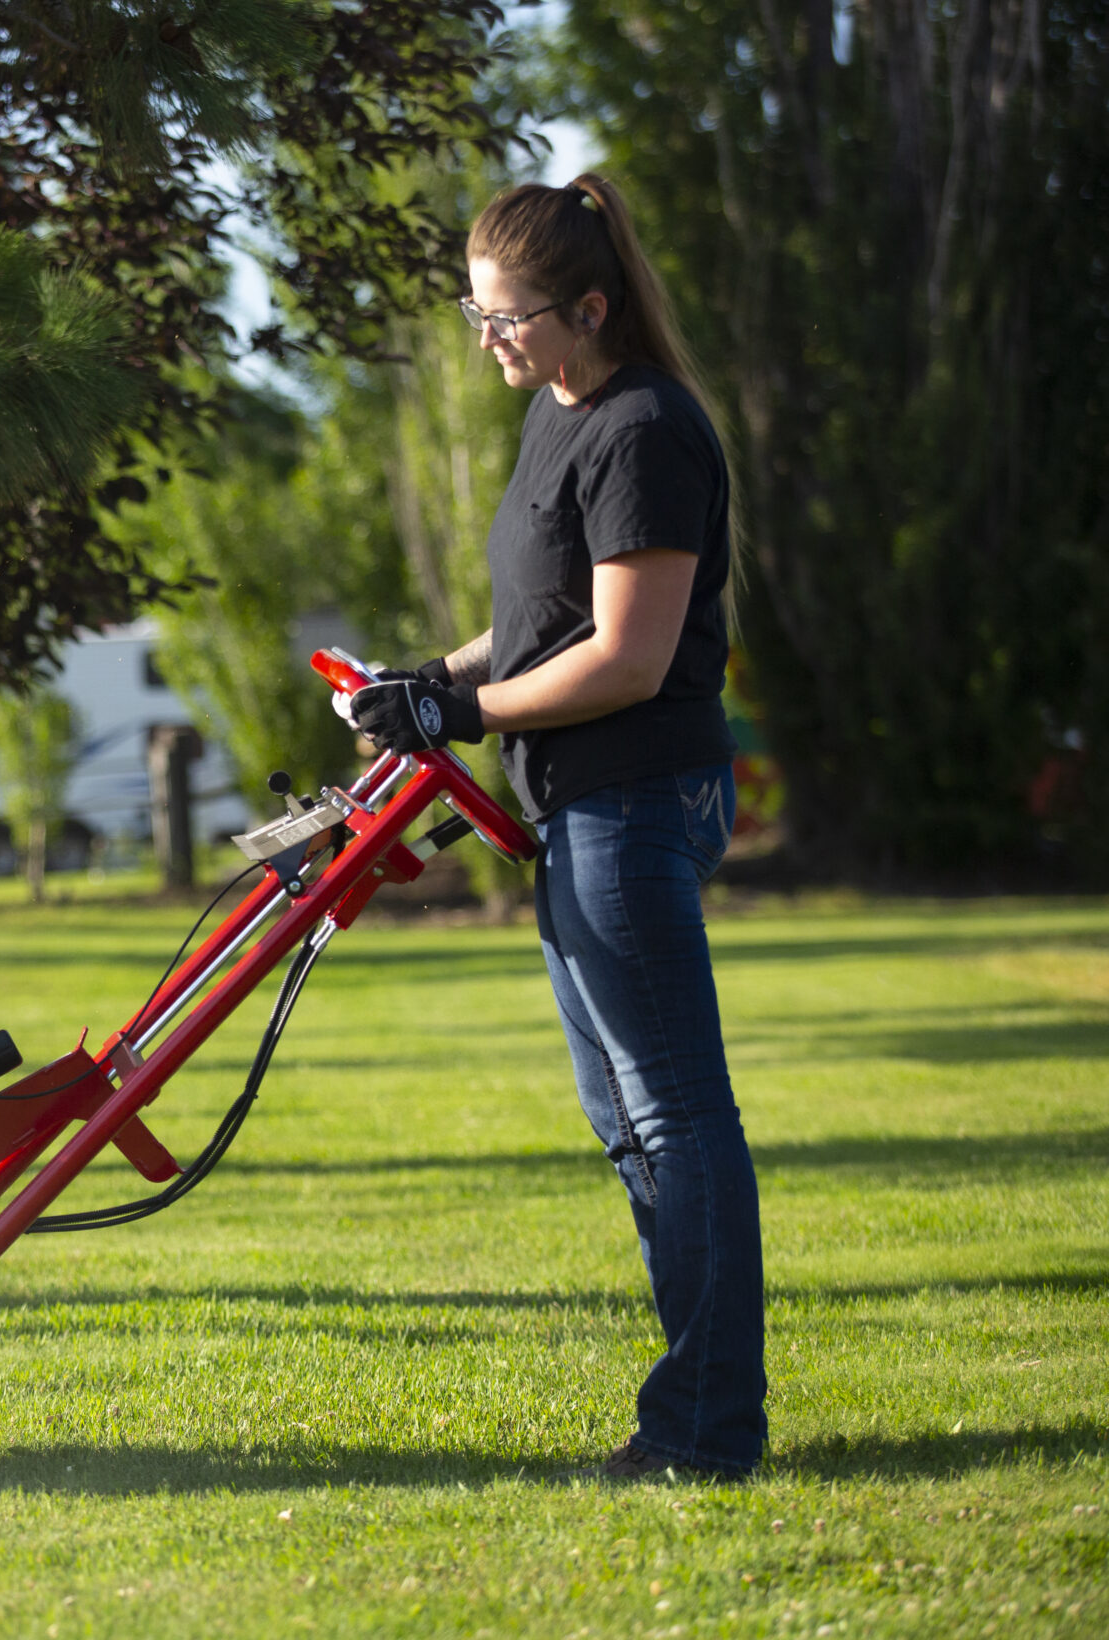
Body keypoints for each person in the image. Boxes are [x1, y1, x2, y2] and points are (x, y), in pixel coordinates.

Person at [348, 173, 766, 1481]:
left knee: (678, 1121)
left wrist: (464, 721)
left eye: (509, 317)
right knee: (633, 1126)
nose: (490, 341)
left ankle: (706, 1429)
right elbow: (539, 629)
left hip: (636, 801)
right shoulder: (559, 415)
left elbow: (629, 660)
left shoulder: (645, 428)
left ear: (588, 307)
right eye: (475, 314)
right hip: (580, 811)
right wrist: (432, 681)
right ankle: (697, 1419)